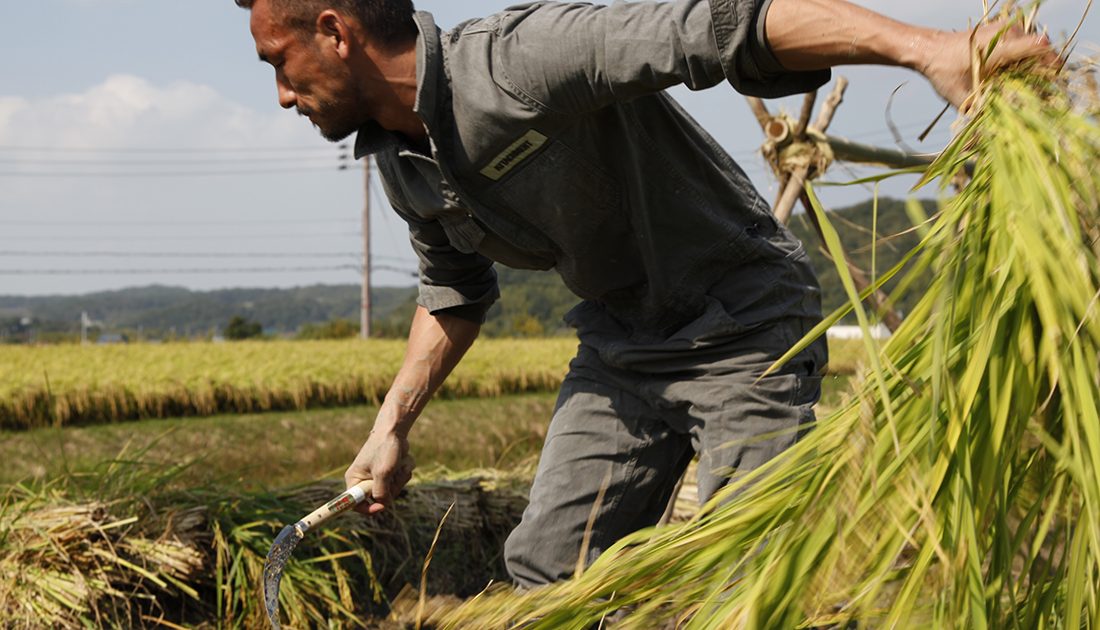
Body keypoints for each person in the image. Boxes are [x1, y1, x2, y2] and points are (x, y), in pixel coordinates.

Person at [236, 0, 1053, 588]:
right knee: (547, 571)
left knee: (751, 569)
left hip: (742, 326)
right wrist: (391, 431)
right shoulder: (399, 160)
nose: (279, 92)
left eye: (278, 61)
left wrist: (929, 48)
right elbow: (453, 287)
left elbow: (719, 25)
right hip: (622, 347)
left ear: (335, 33)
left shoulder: (518, 60)